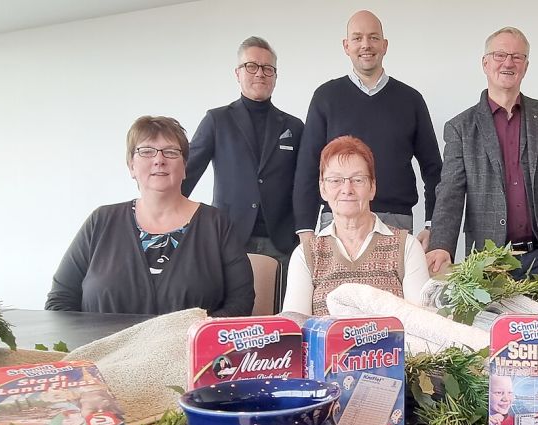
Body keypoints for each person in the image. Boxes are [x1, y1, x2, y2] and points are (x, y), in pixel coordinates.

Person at [46, 116, 254, 316]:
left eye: (171, 152)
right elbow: (60, 301)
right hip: (103, 352)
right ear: (131, 166)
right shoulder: (100, 221)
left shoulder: (217, 224)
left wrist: (194, 338)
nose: (159, 160)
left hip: (188, 351)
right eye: (146, 151)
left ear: (184, 167)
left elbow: (241, 303)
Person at [427, 27, 538, 278]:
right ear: (485, 63)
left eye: (517, 57)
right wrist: (441, 245)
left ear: (526, 66)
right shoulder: (460, 128)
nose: (508, 62)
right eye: (500, 55)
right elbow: (450, 191)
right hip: (489, 260)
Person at [293, 10, 442, 243]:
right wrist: (304, 227)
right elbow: (308, 166)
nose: (366, 45)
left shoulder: (411, 100)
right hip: (337, 219)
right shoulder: (325, 97)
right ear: (346, 46)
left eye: (373, 38)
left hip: (396, 222)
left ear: (384, 45)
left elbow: (434, 168)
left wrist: (433, 224)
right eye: (357, 38)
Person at [182, 36, 304, 273]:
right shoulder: (216, 120)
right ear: (238, 73)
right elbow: (185, 175)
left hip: (281, 242)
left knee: (278, 309)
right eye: (251, 66)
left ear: (275, 77)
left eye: (268, 68)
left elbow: (306, 182)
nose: (260, 73)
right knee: (230, 309)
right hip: (230, 238)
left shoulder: (294, 126)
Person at [281, 136, 429, 315]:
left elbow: (421, 323)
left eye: (358, 180)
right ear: (322, 189)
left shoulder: (407, 247)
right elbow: (295, 327)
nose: (347, 189)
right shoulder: (306, 254)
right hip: (325, 344)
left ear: (372, 187)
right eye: (335, 180)